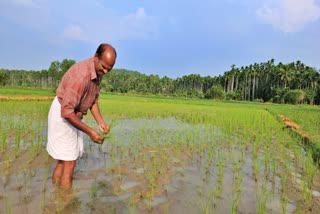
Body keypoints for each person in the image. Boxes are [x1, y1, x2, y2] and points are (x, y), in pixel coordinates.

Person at [47, 43, 117, 189]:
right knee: (70, 161)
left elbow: (93, 100)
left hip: (73, 114)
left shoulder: (98, 72)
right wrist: (90, 131)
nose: (104, 71)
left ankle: (55, 195)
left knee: (64, 160)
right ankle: (65, 200)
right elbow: (66, 111)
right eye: (103, 67)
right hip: (64, 114)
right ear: (95, 57)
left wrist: (100, 122)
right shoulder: (81, 76)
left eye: (108, 69)